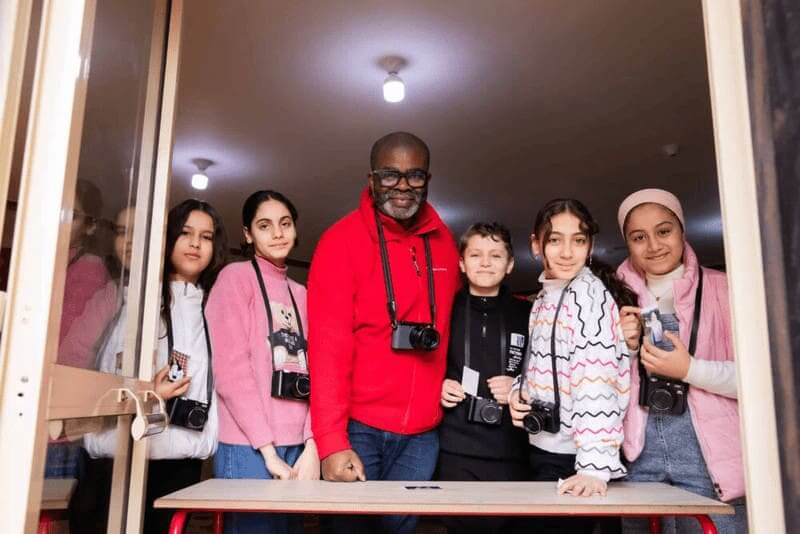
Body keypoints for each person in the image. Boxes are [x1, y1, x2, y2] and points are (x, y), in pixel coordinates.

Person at [308, 131, 460, 533]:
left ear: (429, 179)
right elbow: (326, 351)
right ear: (370, 178)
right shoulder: (339, 242)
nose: (403, 186)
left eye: (415, 176)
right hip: (359, 428)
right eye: (390, 175)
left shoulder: (445, 244)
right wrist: (331, 441)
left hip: (423, 433)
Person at [79, 200, 227, 532]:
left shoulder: (214, 307)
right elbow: (105, 373)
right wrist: (149, 396)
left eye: (206, 236)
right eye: (186, 233)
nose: (194, 244)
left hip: (181, 466)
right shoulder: (135, 299)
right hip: (120, 461)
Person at [615, 188, 747, 534]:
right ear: (627, 244)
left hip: (712, 462)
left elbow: (761, 382)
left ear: (682, 231)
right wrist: (626, 349)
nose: (654, 245)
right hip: (639, 460)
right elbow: (594, 386)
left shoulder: (726, 290)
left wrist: (689, 370)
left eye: (664, 231)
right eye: (638, 237)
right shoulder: (612, 297)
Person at [509, 198, 635, 534]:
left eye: (578, 240)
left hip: (575, 458)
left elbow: (597, 382)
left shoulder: (588, 298)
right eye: (555, 239)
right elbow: (544, 365)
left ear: (590, 245)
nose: (567, 252)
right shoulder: (546, 297)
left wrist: (593, 468)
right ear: (536, 245)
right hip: (546, 447)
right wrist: (516, 393)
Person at [206, 190, 319, 534]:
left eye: (285, 224)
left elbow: (321, 369)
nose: (278, 233)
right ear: (248, 234)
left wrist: (313, 444)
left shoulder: (304, 294)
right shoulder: (234, 279)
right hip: (248, 448)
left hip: (298, 447)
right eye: (265, 225)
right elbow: (231, 373)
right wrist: (268, 452)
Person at [437, 222, 532, 534]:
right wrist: (438, 385)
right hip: (456, 449)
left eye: (495, 255)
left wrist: (519, 385)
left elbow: (552, 373)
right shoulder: (443, 310)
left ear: (510, 264)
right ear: (462, 263)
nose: (486, 262)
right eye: (476, 255)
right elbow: (419, 366)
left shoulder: (530, 314)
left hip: (512, 450)